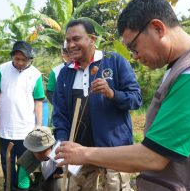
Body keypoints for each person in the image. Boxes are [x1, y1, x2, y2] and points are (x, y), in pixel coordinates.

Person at [55, 0, 190, 191]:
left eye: (134, 46)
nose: (135, 56)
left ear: (158, 28)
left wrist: (84, 154)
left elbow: (154, 156)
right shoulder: (181, 67)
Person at [52, 18, 142, 191]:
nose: (70, 45)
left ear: (92, 39)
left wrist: (111, 93)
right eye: (68, 40)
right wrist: (64, 143)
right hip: (79, 152)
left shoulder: (114, 61)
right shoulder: (65, 73)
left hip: (114, 151)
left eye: (76, 39)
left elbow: (135, 99)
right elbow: (60, 114)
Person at [0, 40, 45, 190]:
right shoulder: (1, 70)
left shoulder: (35, 74)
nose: (20, 62)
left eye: (24, 59)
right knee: (7, 164)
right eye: (17, 59)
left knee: (24, 165)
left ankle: (23, 188)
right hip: (6, 129)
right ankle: (8, 187)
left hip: (26, 130)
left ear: (30, 59)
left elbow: (38, 101)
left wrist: (39, 125)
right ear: (12, 57)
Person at [16, 126, 63, 191]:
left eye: (41, 151)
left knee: (60, 184)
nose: (37, 154)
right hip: (36, 187)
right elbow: (23, 188)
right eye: (35, 151)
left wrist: (62, 172)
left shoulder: (60, 150)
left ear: (51, 146)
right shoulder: (25, 163)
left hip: (53, 181)